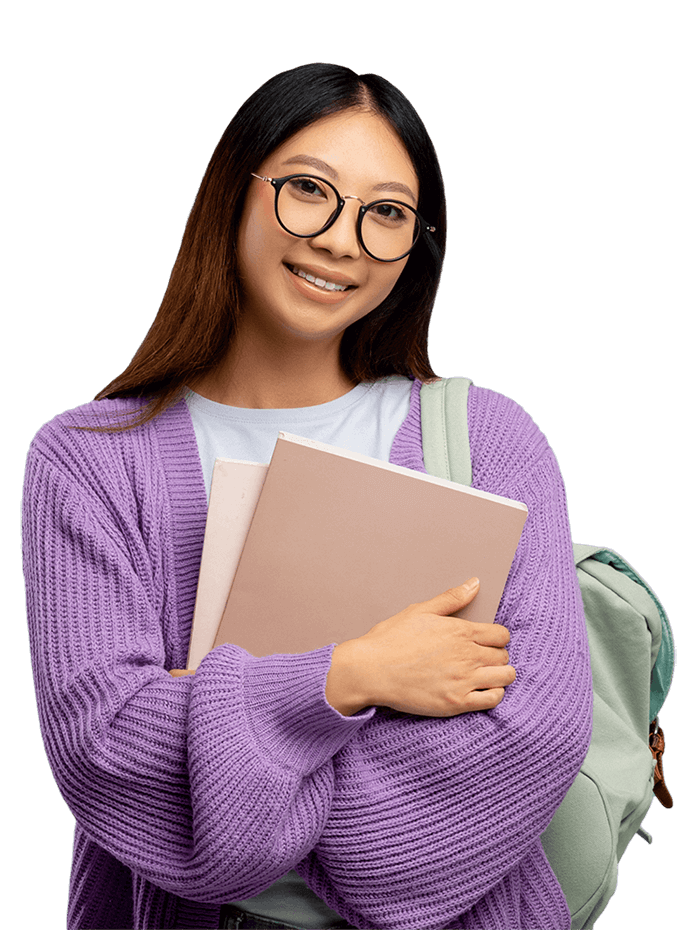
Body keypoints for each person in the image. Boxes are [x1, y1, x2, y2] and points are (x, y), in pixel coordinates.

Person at [21, 63, 592, 930]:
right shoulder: (90, 460)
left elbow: (534, 735)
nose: (341, 240)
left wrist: (221, 742)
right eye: (308, 192)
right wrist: (353, 675)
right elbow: (106, 744)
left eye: (387, 213)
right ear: (232, 193)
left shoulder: (489, 439)